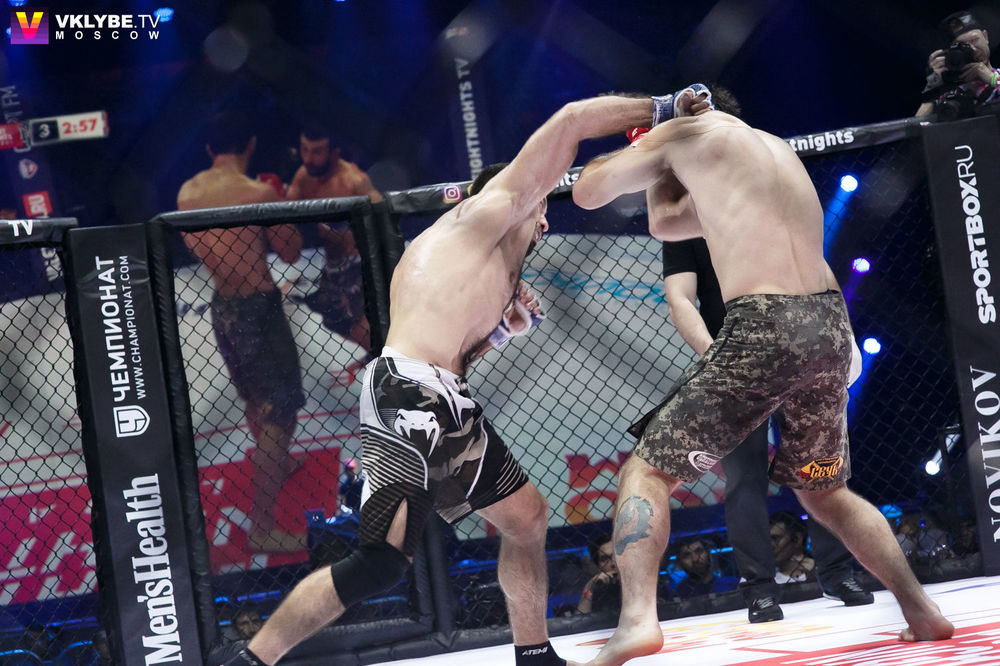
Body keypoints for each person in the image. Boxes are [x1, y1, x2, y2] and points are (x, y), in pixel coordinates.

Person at [222, 94, 660, 666]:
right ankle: (250, 661)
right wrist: (659, 109)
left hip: (444, 398)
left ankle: (534, 656)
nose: (546, 222)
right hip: (407, 395)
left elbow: (453, 356)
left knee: (527, 518)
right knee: (380, 562)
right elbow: (572, 121)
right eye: (540, 206)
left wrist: (498, 333)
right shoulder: (483, 213)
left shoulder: (488, 265)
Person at [572, 84, 955, 666]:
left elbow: (587, 191)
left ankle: (637, 623)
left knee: (647, 472)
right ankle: (921, 609)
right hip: (828, 326)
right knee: (826, 491)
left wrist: (655, 136)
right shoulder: (773, 149)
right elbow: (669, 225)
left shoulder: (683, 132)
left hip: (765, 326)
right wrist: (664, 174)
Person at [662, 237, 872, 622]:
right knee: (745, 477)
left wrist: (845, 336)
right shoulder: (682, 223)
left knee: (818, 468)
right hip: (736, 361)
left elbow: (818, 271)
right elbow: (680, 298)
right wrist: (716, 360)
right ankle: (759, 589)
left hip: (796, 351)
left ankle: (838, 572)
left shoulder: (762, 206)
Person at [178, 111, 307, 554]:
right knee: (280, 413)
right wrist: (282, 203)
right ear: (250, 145)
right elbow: (291, 253)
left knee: (255, 398)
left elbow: (198, 247)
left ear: (209, 149)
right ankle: (262, 528)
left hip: (222, 307)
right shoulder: (257, 192)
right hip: (258, 308)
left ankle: (278, 465)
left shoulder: (187, 192)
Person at [287, 124, 382, 376]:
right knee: (332, 317)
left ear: (334, 153)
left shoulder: (353, 180)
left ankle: (388, 363)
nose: (309, 158)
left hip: (359, 263)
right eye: (305, 149)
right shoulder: (303, 176)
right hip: (333, 264)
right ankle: (380, 356)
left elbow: (381, 216)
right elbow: (284, 213)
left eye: (317, 152)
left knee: (355, 320)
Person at [915, 9, 999, 118]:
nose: (973, 49)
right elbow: (916, 125)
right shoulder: (950, 95)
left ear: (985, 36)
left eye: (974, 40)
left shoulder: (997, 76)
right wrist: (933, 87)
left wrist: (991, 78)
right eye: (963, 46)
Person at [667, 536, 738, 599]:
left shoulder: (732, 585)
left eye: (699, 551)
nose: (695, 559)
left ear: (708, 553)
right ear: (679, 563)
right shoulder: (677, 595)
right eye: (687, 555)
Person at [577, 533, 621, 613]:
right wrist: (589, 586)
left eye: (617, 555)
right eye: (605, 559)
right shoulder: (598, 591)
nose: (613, 563)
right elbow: (580, 617)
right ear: (599, 566)